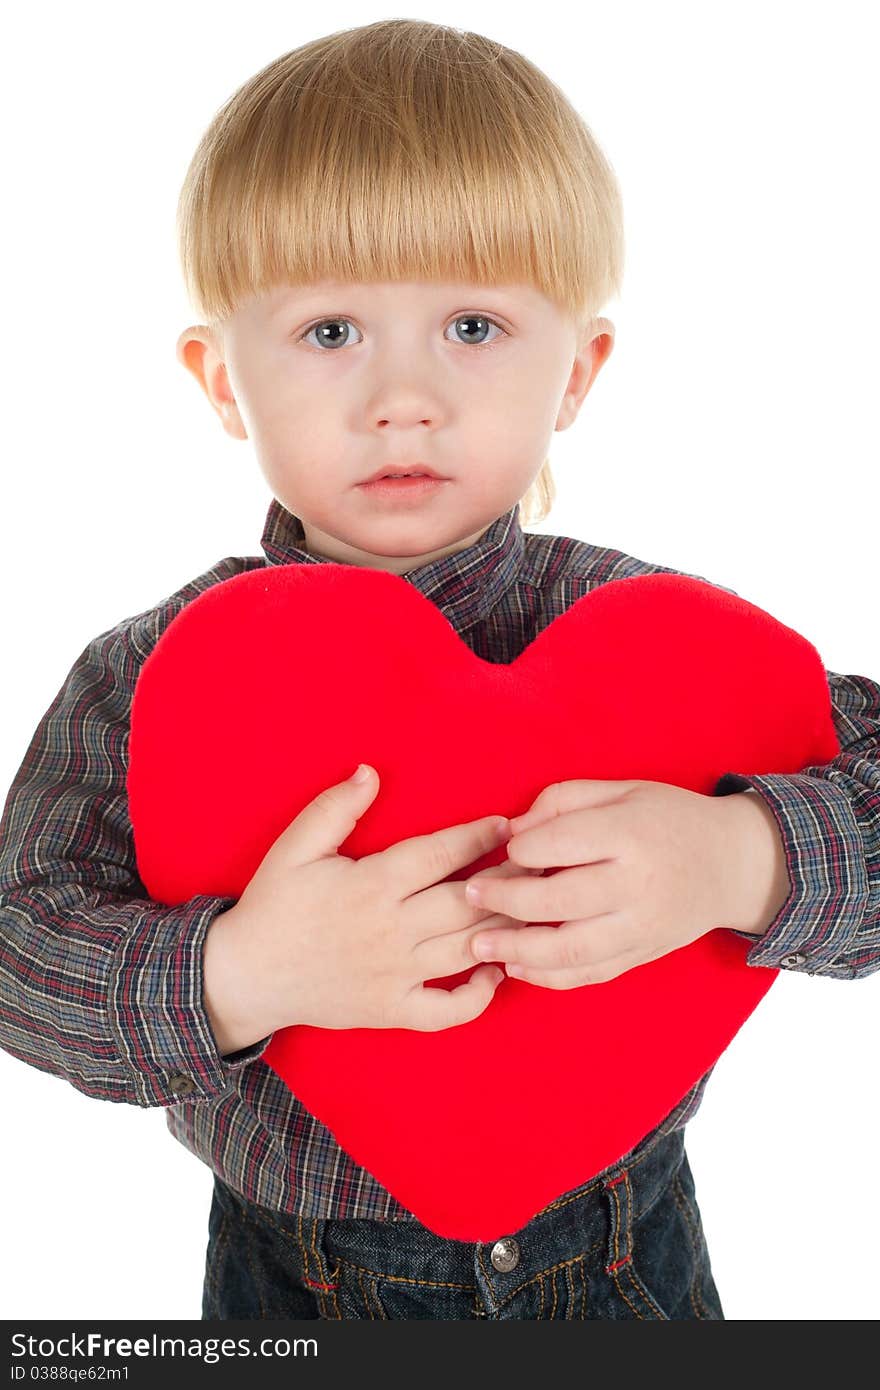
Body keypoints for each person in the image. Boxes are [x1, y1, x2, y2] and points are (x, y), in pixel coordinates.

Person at [1, 18, 877, 1322]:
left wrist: (738, 855)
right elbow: (22, 945)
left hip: (628, 1246)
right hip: (295, 1274)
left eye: (472, 324)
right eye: (331, 330)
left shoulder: (665, 643)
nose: (402, 396)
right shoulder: (153, 678)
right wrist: (243, 970)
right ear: (220, 379)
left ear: (576, 369)